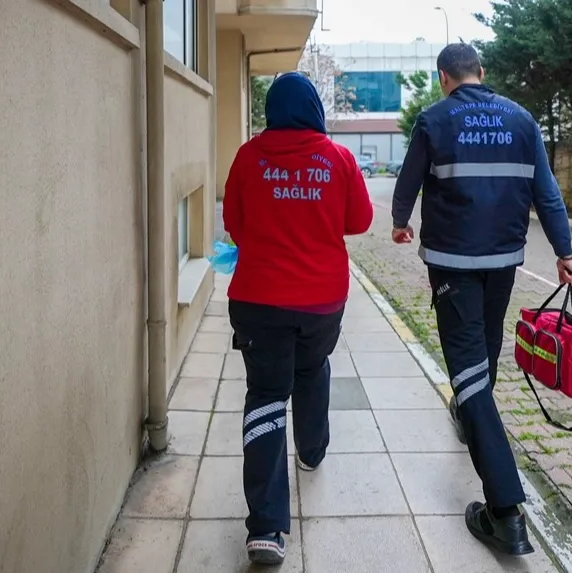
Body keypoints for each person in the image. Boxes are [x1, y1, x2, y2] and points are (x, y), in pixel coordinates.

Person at [390, 43, 572, 556]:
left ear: (443, 78)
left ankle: (505, 512)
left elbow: (409, 180)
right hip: (502, 262)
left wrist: (401, 221)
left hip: (452, 263)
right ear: (481, 72)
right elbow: (547, 193)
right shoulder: (522, 120)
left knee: (471, 373)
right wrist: (564, 252)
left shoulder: (434, 119)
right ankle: (469, 412)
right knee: (485, 350)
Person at [222, 72, 373, 565]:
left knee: (267, 395)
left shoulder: (249, 156)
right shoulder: (338, 158)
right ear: (314, 110)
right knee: (311, 368)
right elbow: (360, 221)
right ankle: (311, 450)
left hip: (258, 299)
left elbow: (235, 224)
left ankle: (266, 529)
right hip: (321, 300)